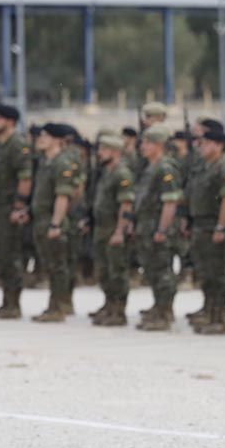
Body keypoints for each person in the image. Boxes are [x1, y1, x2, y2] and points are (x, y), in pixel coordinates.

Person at [185, 120, 225, 335]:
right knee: (207, 274)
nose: (201, 147)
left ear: (217, 145)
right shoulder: (206, 165)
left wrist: (221, 227)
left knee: (218, 275)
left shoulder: (224, 166)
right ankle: (209, 313)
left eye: (205, 143)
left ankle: (219, 318)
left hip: (214, 226)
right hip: (201, 225)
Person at [0, 104, 33, 319]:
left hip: (7, 208)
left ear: (10, 122)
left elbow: (25, 177)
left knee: (10, 256)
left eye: (0, 118)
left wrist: (19, 206)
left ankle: (13, 304)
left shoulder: (17, 144)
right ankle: (5, 301)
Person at [133, 125, 184, 331]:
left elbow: (170, 202)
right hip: (147, 226)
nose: (143, 146)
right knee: (152, 270)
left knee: (163, 271)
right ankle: (158, 306)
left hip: (158, 227)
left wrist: (162, 230)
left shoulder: (165, 168)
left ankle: (165, 313)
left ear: (159, 145)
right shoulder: (151, 167)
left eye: (148, 143)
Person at [30, 123, 77, 323]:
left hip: (52, 221)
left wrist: (56, 224)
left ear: (57, 140)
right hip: (41, 219)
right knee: (50, 265)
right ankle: (54, 305)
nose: (41, 139)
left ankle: (58, 307)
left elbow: (63, 196)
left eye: (46, 136)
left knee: (57, 266)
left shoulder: (62, 163)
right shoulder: (45, 162)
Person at [91, 134, 136, 326]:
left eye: (104, 149)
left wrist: (119, 231)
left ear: (115, 151)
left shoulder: (122, 174)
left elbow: (125, 205)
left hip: (112, 227)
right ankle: (109, 306)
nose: (99, 154)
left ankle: (119, 311)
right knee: (104, 271)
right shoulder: (107, 172)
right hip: (102, 227)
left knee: (116, 271)